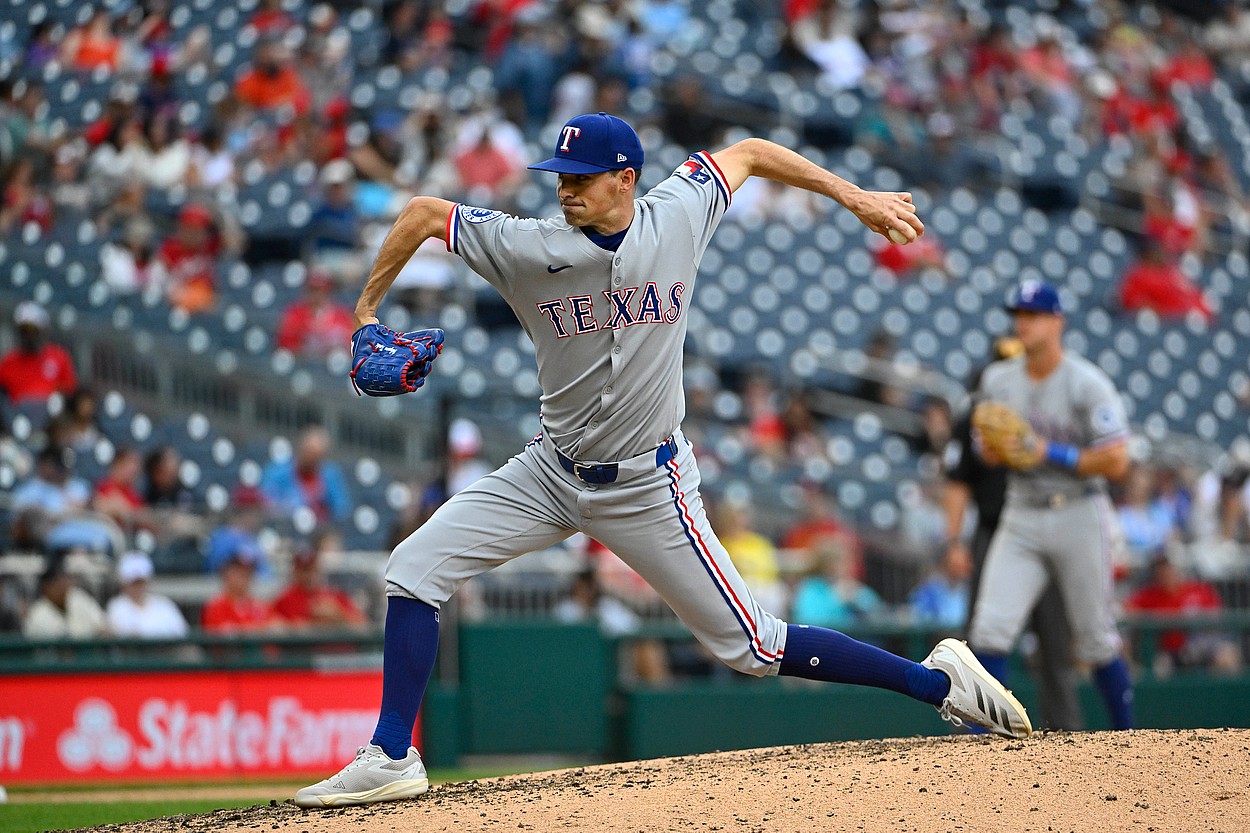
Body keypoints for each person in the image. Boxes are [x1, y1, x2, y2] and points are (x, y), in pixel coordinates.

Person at [296, 112, 1029, 808]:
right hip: (550, 472)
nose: (565, 188)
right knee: (412, 567)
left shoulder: (677, 213)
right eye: (560, 175)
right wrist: (366, 312)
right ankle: (393, 753)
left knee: (753, 645)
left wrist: (854, 197)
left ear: (626, 178)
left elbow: (749, 152)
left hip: (650, 484)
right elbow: (425, 211)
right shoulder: (527, 245)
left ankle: (938, 683)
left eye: (581, 176)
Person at [968, 280, 1135, 731]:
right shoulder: (998, 379)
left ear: (1057, 321)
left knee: (1096, 639)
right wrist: (1001, 447)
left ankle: (1132, 740)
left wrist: (1048, 452)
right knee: (989, 630)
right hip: (1021, 511)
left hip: (1077, 511)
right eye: (1018, 315)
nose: (1022, 323)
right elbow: (985, 452)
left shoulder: (1085, 382)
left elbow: (1118, 460)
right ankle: (982, 745)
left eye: (1033, 315)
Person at [942, 337, 1085, 731]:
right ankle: (979, 732)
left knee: (1056, 644)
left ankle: (1067, 738)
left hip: (1050, 526)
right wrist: (954, 542)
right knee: (981, 640)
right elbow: (957, 481)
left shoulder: (1056, 410)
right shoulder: (974, 410)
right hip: (993, 531)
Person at [1124, 555, 1241, 677]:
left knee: (1227, 656)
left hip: (1203, 646)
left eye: (1169, 568)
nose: (1167, 573)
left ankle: (1220, 696)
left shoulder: (1198, 590)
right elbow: (1126, 611)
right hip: (1168, 651)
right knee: (1158, 669)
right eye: (1162, 570)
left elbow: (1217, 618)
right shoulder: (1149, 595)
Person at [259, 426, 351, 526]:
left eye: (317, 456)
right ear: (300, 449)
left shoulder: (330, 475)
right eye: (309, 453)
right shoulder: (277, 471)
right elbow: (265, 503)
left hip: (318, 532)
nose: (312, 460)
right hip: (284, 528)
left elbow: (342, 510)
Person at [271, 538, 368, 630]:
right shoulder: (284, 600)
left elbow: (364, 625)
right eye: (303, 569)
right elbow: (269, 625)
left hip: (334, 646)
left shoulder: (333, 596)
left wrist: (339, 616)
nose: (308, 574)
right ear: (295, 571)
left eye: (311, 568)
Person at [0, 302, 77, 406]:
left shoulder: (58, 357)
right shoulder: (8, 362)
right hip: (18, 417)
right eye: (25, 331)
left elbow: (70, 390)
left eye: (33, 331)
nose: (29, 336)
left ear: (42, 331)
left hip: (51, 418)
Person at [105, 551, 190, 639]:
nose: (138, 587)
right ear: (123, 584)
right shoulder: (116, 606)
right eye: (134, 583)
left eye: (141, 582)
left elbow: (182, 633)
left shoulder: (164, 605)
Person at [22, 559, 108, 640]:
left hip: (90, 653)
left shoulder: (78, 598)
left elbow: (103, 626)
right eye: (56, 585)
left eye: (63, 581)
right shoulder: (37, 614)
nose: (62, 588)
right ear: (45, 588)